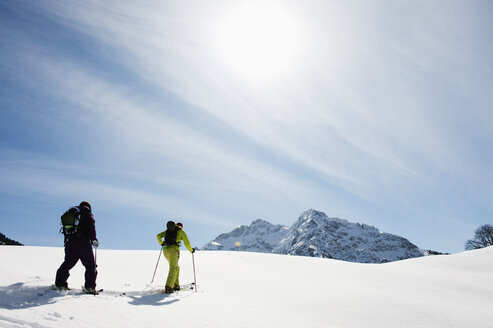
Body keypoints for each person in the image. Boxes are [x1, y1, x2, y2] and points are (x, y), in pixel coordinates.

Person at [55, 201, 99, 294]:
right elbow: (91, 226)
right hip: (83, 242)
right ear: (89, 207)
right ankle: (90, 287)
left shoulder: (72, 212)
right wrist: (94, 239)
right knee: (90, 265)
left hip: (70, 242)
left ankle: (60, 284)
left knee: (67, 263)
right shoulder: (87, 213)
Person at [156, 221, 194, 293]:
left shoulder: (168, 231)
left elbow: (158, 236)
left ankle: (176, 285)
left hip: (165, 251)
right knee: (173, 268)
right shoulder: (181, 231)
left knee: (176, 267)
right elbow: (187, 243)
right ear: (181, 227)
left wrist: (162, 243)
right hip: (173, 251)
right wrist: (191, 250)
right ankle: (169, 287)